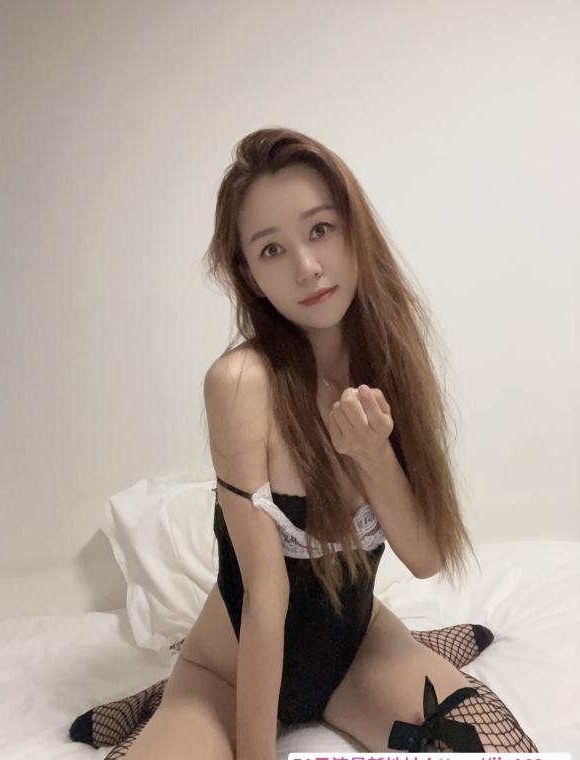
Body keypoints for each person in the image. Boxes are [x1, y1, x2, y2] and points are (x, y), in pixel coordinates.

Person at [69, 127, 538, 759]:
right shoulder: (241, 384)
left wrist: (372, 454)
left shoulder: (391, 362)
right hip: (230, 668)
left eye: (320, 229)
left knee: (497, 748)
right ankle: (163, 696)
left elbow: (426, 558)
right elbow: (266, 596)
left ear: (353, 230)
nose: (307, 267)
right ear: (249, 274)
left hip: (356, 653)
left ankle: (420, 645)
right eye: (271, 249)